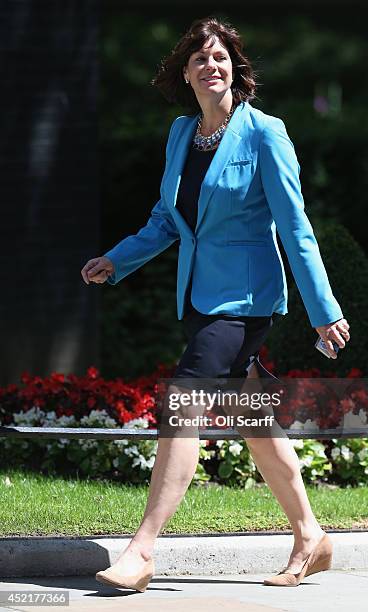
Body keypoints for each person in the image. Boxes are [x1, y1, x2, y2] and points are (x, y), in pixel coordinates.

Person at [81, 16, 350, 591]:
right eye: (200, 58)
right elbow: (168, 220)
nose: (212, 65)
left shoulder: (265, 133)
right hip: (201, 296)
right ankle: (311, 535)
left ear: (237, 69)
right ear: (186, 72)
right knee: (254, 418)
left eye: (221, 56)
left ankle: (143, 551)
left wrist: (324, 309)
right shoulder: (182, 135)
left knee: (185, 400)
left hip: (248, 299)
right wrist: (118, 259)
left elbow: (295, 227)